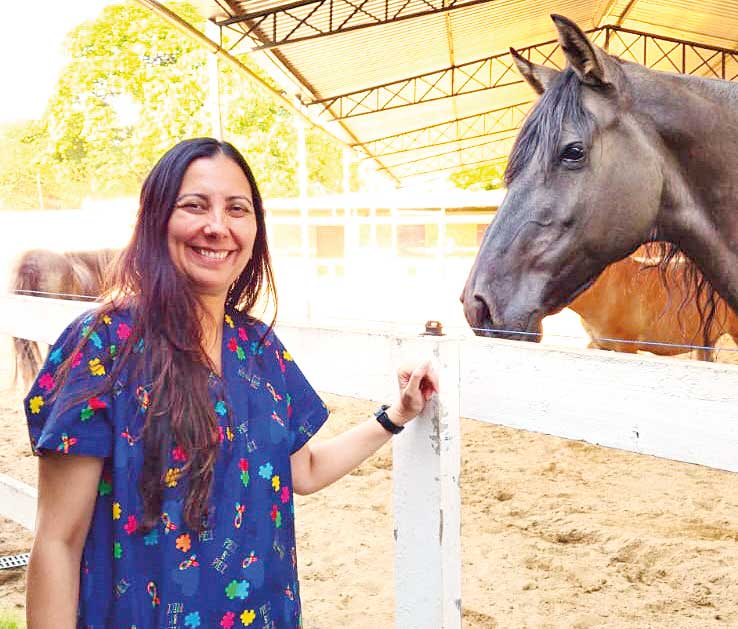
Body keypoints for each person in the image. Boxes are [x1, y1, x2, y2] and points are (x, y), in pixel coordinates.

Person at [24, 137, 438, 629]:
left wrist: (396, 415)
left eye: (237, 209)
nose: (217, 226)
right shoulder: (103, 344)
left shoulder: (259, 349)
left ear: (255, 229)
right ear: (156, 218)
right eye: (194, 205)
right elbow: (58, 541)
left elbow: (304, 470)